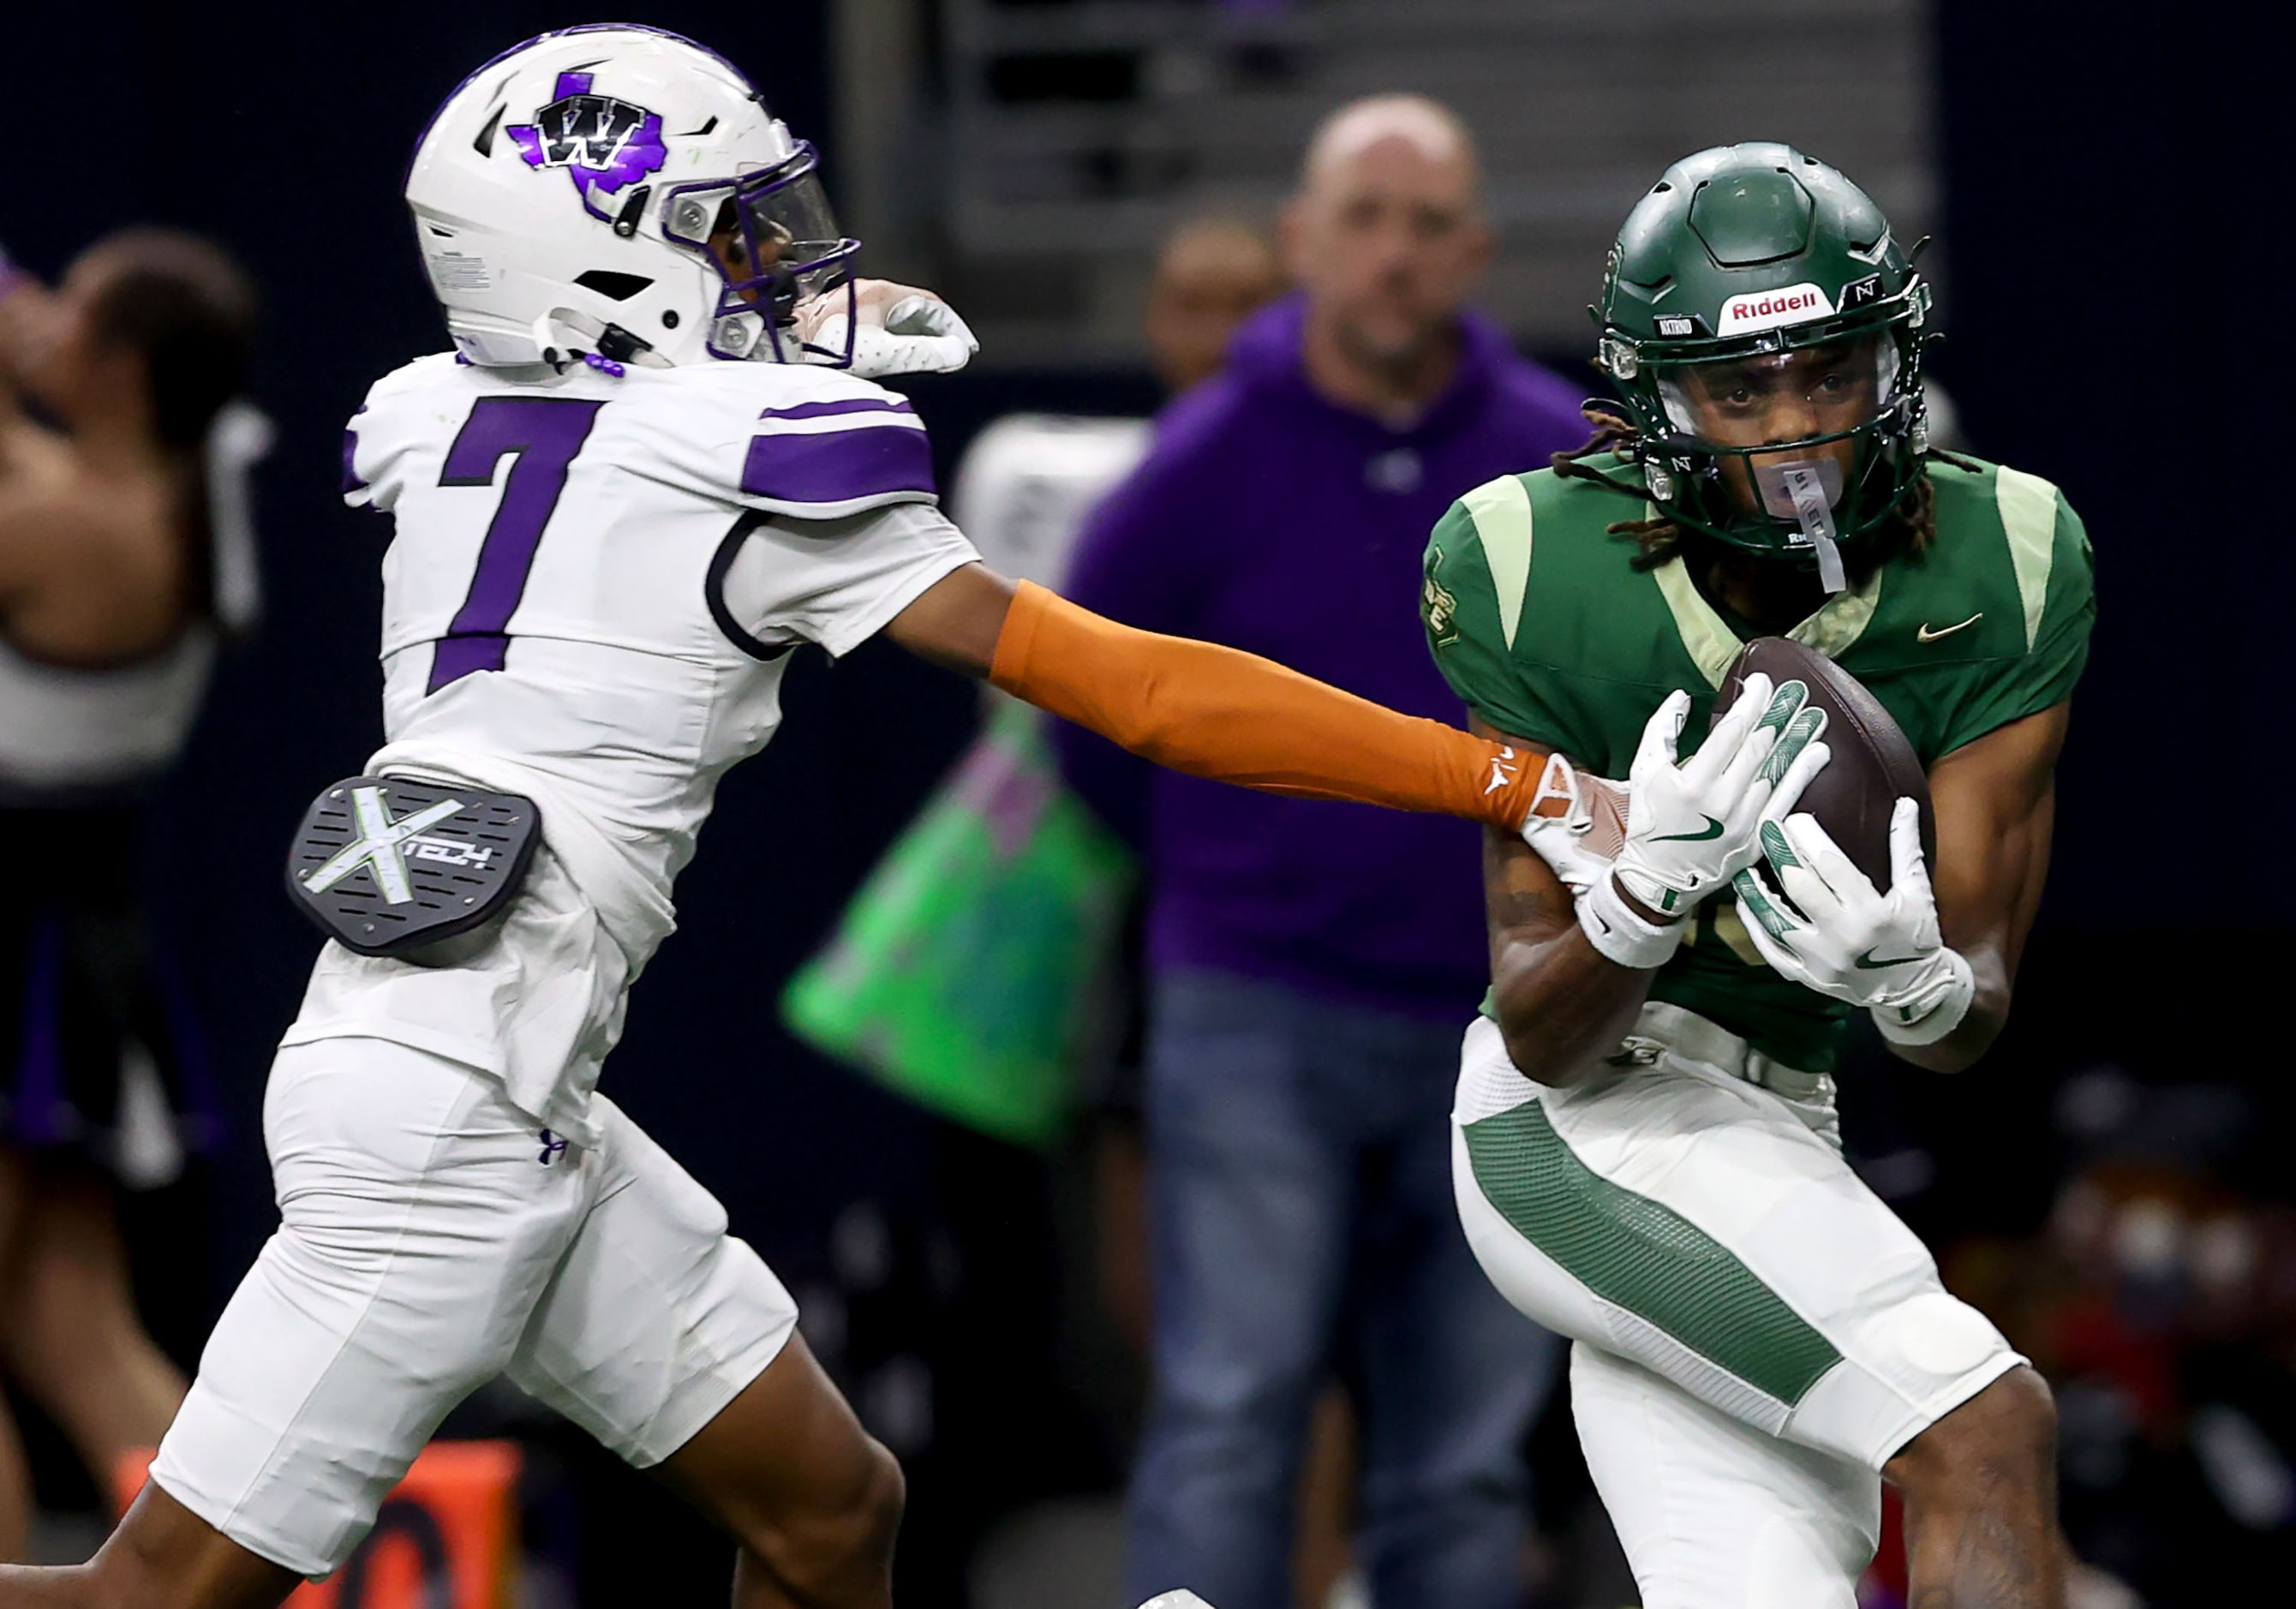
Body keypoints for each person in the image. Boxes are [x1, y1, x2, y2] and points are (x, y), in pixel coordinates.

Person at [0, 29, 1576, 1607]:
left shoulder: (438, 421)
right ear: (610, 261)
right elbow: (1143, 694)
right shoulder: (750, 471)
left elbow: (607, 414)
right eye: (729, 231)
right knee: (149, 1596)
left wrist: (786, 331)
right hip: (449, 1118)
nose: (783, 263)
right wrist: (1505, 775)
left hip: (494, 1072)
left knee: (830, 1509)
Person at [1424, 143, 2094, 1606]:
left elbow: (1974, 1004)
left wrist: (1915, 982)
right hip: (1584, 1127)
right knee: (1984, 1425)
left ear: (1895, 362)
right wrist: (1647, 893)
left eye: (1833, 373)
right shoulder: (1529, 562)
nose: (1796, 426)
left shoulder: (2013, 552)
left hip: (1792, 1116)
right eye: (1742, 389)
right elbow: (1544, 1029)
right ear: (1658, 399)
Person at [1056, 94, 1583, 1609]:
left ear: (1476, 250)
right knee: (1233, 1412)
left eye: (1429, 225)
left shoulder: (1556, 465)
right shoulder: (1200, 460)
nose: (1396, 256)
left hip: (1502, 1022)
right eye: (1366, 217)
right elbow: (1091, 715)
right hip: (1254, 1007)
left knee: (1467, 1450)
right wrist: (1231, 882)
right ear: (1303, 240)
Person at [0, 230, 262, 1563]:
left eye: (71, 306)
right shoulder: (155, 500)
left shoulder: (67, 521)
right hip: (79, 940)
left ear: (118, 367)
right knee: (73, 1328)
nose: (40, 316)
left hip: (20, 943)